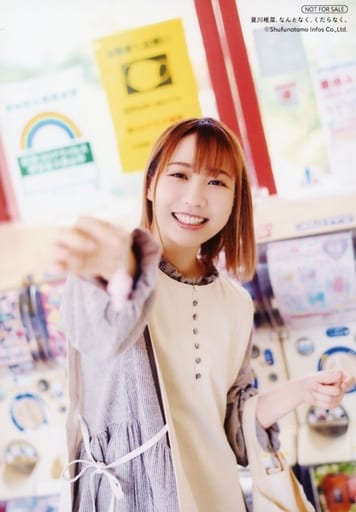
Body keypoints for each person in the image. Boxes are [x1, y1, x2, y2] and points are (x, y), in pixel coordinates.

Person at [54, 117, 354, 512]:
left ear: (235, 198)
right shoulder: (116, 278)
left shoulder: (235, 303)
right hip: (136, 499)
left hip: (217, 498)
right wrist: (118, 267)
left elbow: (232, 422)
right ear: (150, 184)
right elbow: (101, 332)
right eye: (179, 175)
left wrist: (302, 390)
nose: (195, 198)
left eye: (216, 182)